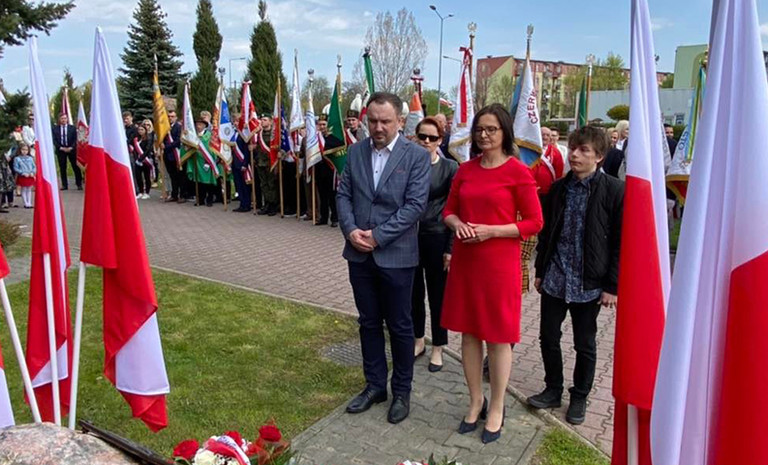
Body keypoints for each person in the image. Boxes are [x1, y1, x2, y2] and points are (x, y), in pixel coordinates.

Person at [441, 103, 543, 444]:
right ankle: (476, 401)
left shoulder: (518, 171)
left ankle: (497, 406)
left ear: (504, 133)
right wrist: (457, 224)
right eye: (479, 129)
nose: (484, 135)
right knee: (469, 334)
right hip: (466, 262)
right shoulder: (466, 170)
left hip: (499, 265)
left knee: (498, 338)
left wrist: (493, 231)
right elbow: (449, 211)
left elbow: (535, 222)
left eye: (491, 129)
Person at [336, 92, 430, 425]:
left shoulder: (416, 156)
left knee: (401, 326)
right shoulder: (355, 151)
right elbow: (343, 194)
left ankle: (401, 391)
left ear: (400, 122)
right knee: (368, 322)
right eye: (372, 121)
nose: (378, 127)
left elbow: (415, 206)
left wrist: (377, 236)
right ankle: (375, 386)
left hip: (396, 256)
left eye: (385, 121)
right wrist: (351, 230)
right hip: (359, 255)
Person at [527, 125, 624, 426]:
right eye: (573, 148)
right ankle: (553, 388)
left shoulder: (614, 190)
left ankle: (580, 395)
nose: (575, 155)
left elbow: (620, 241)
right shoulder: (559, 189)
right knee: (548, 336)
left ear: (599, 156)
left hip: (589, 282)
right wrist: (541, 271)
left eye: (584, 150)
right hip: (556, 276)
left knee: (585, 343)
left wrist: (612, 286)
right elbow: (547, 234)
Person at [411, 117, 458, 373]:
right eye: (422, 136)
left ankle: (438, 346)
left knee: (438, 295)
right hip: (409, 238)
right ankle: (418, 339)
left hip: (437, 237)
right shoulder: (407, 165)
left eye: (432, 137)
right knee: (413, 293)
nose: (426, 141)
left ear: (440, 140)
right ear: (415, 137)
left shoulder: (450, 167)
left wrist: (450, 248)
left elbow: (454, 208)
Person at [315, 113, 338, 227]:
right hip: (319, 169)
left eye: (324, 124)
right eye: (320, 124)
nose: (322, 127)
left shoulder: (333, 138)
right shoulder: (315, 138)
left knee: (332, 195)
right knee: (322, 195)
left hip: (330, 169)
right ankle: (323, 217)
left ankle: (334, 218)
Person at [255, 115, 278, 216]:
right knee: (263, 185)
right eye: (261, 120)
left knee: (271, 185)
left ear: (270, 122)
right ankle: (267, 204)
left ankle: (273, 205)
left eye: (265, 120)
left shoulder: (274, 134)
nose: (262, 121)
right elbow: (258, 148)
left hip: (270, 163)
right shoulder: (259, 134)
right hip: (261, 163)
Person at [230, 111, 253, 212]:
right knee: (238, 184)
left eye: (237, 121)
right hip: (235, 162)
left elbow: (246, 150)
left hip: (242, 162)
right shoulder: (233, 133)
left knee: (245, 185)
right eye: (234, 121)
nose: (235, 123)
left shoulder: (244, 134)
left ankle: (247, 204)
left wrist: (245, 163)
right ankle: (242, 203)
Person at [53, 113, 82, 190]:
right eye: (62, 118)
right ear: (59, 119)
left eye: (65, 118)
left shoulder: (72, 128)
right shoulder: (55, 129)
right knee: (62, 168)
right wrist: (61, 147)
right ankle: (64, 185)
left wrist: (71, 147)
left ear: (67, 119)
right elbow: (54, 140)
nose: (63, 120)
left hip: (71, 150)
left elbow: (75, 139)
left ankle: (79, 184)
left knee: (75, 167)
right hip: (61, 150)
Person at [163, 110, 185, 203]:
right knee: (172, 176)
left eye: (172, 116)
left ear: (176, 117)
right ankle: (174, 195)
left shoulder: (179, 127)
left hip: (177, 155)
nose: (170, 118)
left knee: (180, 176)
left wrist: (167, 146)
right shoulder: (165, 127)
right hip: (167, 155)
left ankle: (182, 195)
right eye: (169, 116)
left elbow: (178, 140)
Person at [132, 124, 154, 199]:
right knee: (138, 176)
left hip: (146, 160)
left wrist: (141, 158)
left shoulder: (148, 138)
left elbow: (147, 149)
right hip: (138, 160)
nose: (140, 131)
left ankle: (147, 192)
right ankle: (141, 192)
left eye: (142, 130)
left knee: (146, 176)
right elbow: (134, 149)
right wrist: (137, 158)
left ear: (145, 130)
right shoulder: (136, 139)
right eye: (139, 130)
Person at [13, 142, 35, 208]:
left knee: (29, 189)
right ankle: (25, 203)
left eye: (26, 150)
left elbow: (34, 167)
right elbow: (15, 168)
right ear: (20, 150)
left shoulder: (30, 158)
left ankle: (29, 202)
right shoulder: (17, 159)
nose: (24, 151)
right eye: (23, 149)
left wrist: (32, 172)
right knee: (24, 189)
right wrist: (22, 173)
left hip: (30, 175)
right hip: (23, 176)